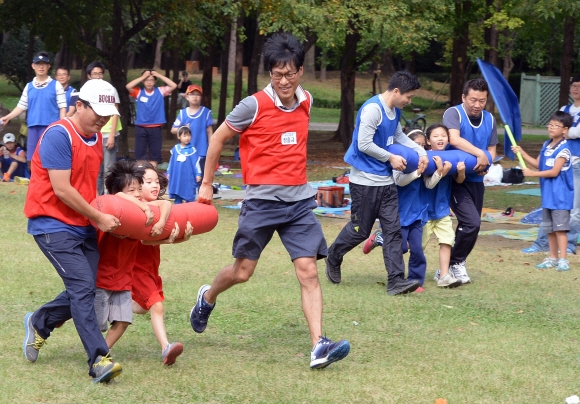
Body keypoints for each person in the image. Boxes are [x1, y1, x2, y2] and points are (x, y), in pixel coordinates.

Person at [189, 32, 350, 370]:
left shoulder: (306, 101)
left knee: (308, 271)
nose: (284, 80)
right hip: (261, 201)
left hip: (298, 203)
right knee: (243, 272)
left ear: (301, 71)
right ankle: (207, 297)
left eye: (290, 73)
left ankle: (319, 345)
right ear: (269, 74)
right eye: (277, 74)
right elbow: (217, 139)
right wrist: (207, 184)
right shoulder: (254, 104)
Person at [22, 79, 124, 383]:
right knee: (83, 287)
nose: (103, 119)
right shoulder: (58, 135)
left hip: (82, 224)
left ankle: (40, 322)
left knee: (84, 288)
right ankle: (99, 360)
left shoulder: (94, 138)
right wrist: (99, 218)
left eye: (108, 114)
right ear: (79, 105)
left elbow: (89, 188)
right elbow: (62, 189)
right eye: (98, 112)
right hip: (51, 223)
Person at [324, 71, 428, 295]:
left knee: (393, 230)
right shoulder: (373, 109)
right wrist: (390, 158)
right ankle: (333, 256)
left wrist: (421, 152)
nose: (409, 101)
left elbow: (399, 136)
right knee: (360, 230)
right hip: (364, 181)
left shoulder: (395, 110)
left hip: (385, 180)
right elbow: (363, 144)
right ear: (396, 91)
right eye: (408, 97)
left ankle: (396, 281)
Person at [440, 78, 498, 284]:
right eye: (473, 99)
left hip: (476, 180)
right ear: (464, 97)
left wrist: (486, 162)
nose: (477, 105)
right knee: (471, 222)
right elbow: (454, 139)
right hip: (455, 179)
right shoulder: (453, 113)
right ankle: (452, 264)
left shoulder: (490, 119)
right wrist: (480, 154)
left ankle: (454, 264)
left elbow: (492, 150)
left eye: (482, 101)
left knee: (473, 224)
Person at [131, 162, 187, 366]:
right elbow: (145, 240)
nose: (155, 185)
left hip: (150, 267)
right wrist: (169, 236)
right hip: (136, 268)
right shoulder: (136, 210)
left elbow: (166, 204)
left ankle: (112, 307)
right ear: (137, 185)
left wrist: (178, 236)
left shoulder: (155, 206)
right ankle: (166, 347)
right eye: (148, 182)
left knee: (142, 307)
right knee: (156, 306)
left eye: (156, 181)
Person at [522, 73, 580, 255]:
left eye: (579, 86)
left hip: (576, 164)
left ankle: (569, 246)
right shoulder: (566, 108)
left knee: (573, 208)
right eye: (574, 86)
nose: (576, 89)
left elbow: (576, 132)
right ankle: (541, 244)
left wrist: (566, 132)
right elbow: (568, 131)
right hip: (560, 164)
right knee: (549, 205)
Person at [512, 111, 574, 271]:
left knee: (560, 229)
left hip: (560, 197)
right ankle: (552, 258)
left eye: (556, 126)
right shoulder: (546, 145)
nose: (552, 128)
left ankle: (563, 260)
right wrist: (522, 152)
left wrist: (533, 174)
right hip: (548, 196)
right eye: (550, 124)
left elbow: (554, 171)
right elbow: (538, 164)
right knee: (550, 229)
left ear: (565, 130)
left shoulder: (564, 149)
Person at [0, 51, 67, 161]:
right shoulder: (29, 86)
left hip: (51, 128)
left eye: (44, 64)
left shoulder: (56, 85)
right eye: (38, 64)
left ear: (48, 66)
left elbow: (62, 109)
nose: (41, 66)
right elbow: (21, 106)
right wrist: (8, 117)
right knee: (33, 160)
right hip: (32, 128)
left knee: (49, 159)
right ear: (33, 66)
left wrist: (63, 128)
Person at [422, 124, 465, 288]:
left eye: (443, 135)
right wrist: (440, 171)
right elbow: (428, 185)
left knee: (447, 241)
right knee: (416, 246)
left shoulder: (451, 157)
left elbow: (458, 181)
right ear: (428, 140)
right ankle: (413, 273)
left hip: (442, 211)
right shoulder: (426, 157)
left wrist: (460, 172)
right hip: (424, 212)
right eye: (435, 136)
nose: (440, 138)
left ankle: (444, 275)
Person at [126, 70, 177, 167]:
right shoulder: (139, 92)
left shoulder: (160, 91)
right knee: (140, 154)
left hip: (156, 127)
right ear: (143, 81)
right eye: (146, 80)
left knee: (154, 155)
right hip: (141, 127)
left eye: (151, 80)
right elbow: (128, 86)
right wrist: (142, 77)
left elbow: (173, 85)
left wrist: (158, 75)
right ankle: (140, 177)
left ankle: (153, 177)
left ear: (155, 81)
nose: (149, 82)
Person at [171, 84, 213, 185]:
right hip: (185, 151)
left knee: (200, 177)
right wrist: (183, 128)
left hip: (201, 151)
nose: (195, 97)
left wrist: (212, 148)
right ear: (187, 96)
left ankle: (200, 199)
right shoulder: (182, 113)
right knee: (185, 177)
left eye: (198, 95)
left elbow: (209, 131)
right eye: (192, 94)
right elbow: (173, 129)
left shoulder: (206, 112)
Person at [167, 126, 202, 204]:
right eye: (184, 135)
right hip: (177, 177)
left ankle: (189, 213)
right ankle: (178, 212)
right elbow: (171, 162)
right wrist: (169, 172)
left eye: (189, 135)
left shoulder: (192, 150)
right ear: (179, 136)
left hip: (188, 178)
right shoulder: (175, 149)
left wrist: (198, 174)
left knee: (188, 196)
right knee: (178, 195)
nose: (187, 138)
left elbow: (196, 163)